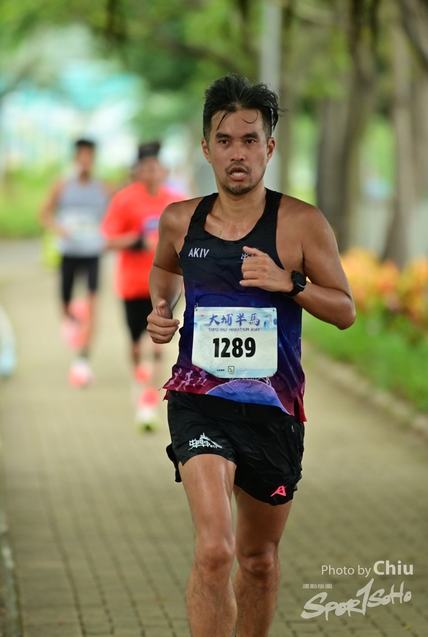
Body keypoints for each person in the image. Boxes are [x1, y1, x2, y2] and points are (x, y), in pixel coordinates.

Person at [147, 74, 356, 637]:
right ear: (206, 148)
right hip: (199, 401)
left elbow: (344, 310)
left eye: (249, 140)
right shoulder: (180, 220)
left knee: (257, 560)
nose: (236, 153)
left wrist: (290, 283)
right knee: (215, 550)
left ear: (270, 146)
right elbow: (165, 267)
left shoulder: (302, 223)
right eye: (225, 140)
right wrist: (162, 307)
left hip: (273, 413)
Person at [101, 141, 186, 426]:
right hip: (133, 285)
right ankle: (140, 381)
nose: (152, 173)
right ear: (137, 171)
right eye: (146, 168)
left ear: (164, 170)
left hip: (167, 287)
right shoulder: (124, 200)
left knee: (158, 345)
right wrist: (138, 241)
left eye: (156, 168)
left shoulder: (176, 202)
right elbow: (107, 240)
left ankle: (149, 397)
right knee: (137, 345)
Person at [40, 138, 111, 386]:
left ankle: (83, 359)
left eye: (90, 156)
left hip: (92, 253)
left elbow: (116, 215)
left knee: (93, 304)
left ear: (94, 159)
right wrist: (58, 229)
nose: (86, 160)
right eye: (82, 155)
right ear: (75, 158)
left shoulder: (102, 188)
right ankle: (73, 323)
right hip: (69, 252)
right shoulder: (62, 186)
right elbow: (44, 214)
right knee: (65, 304)